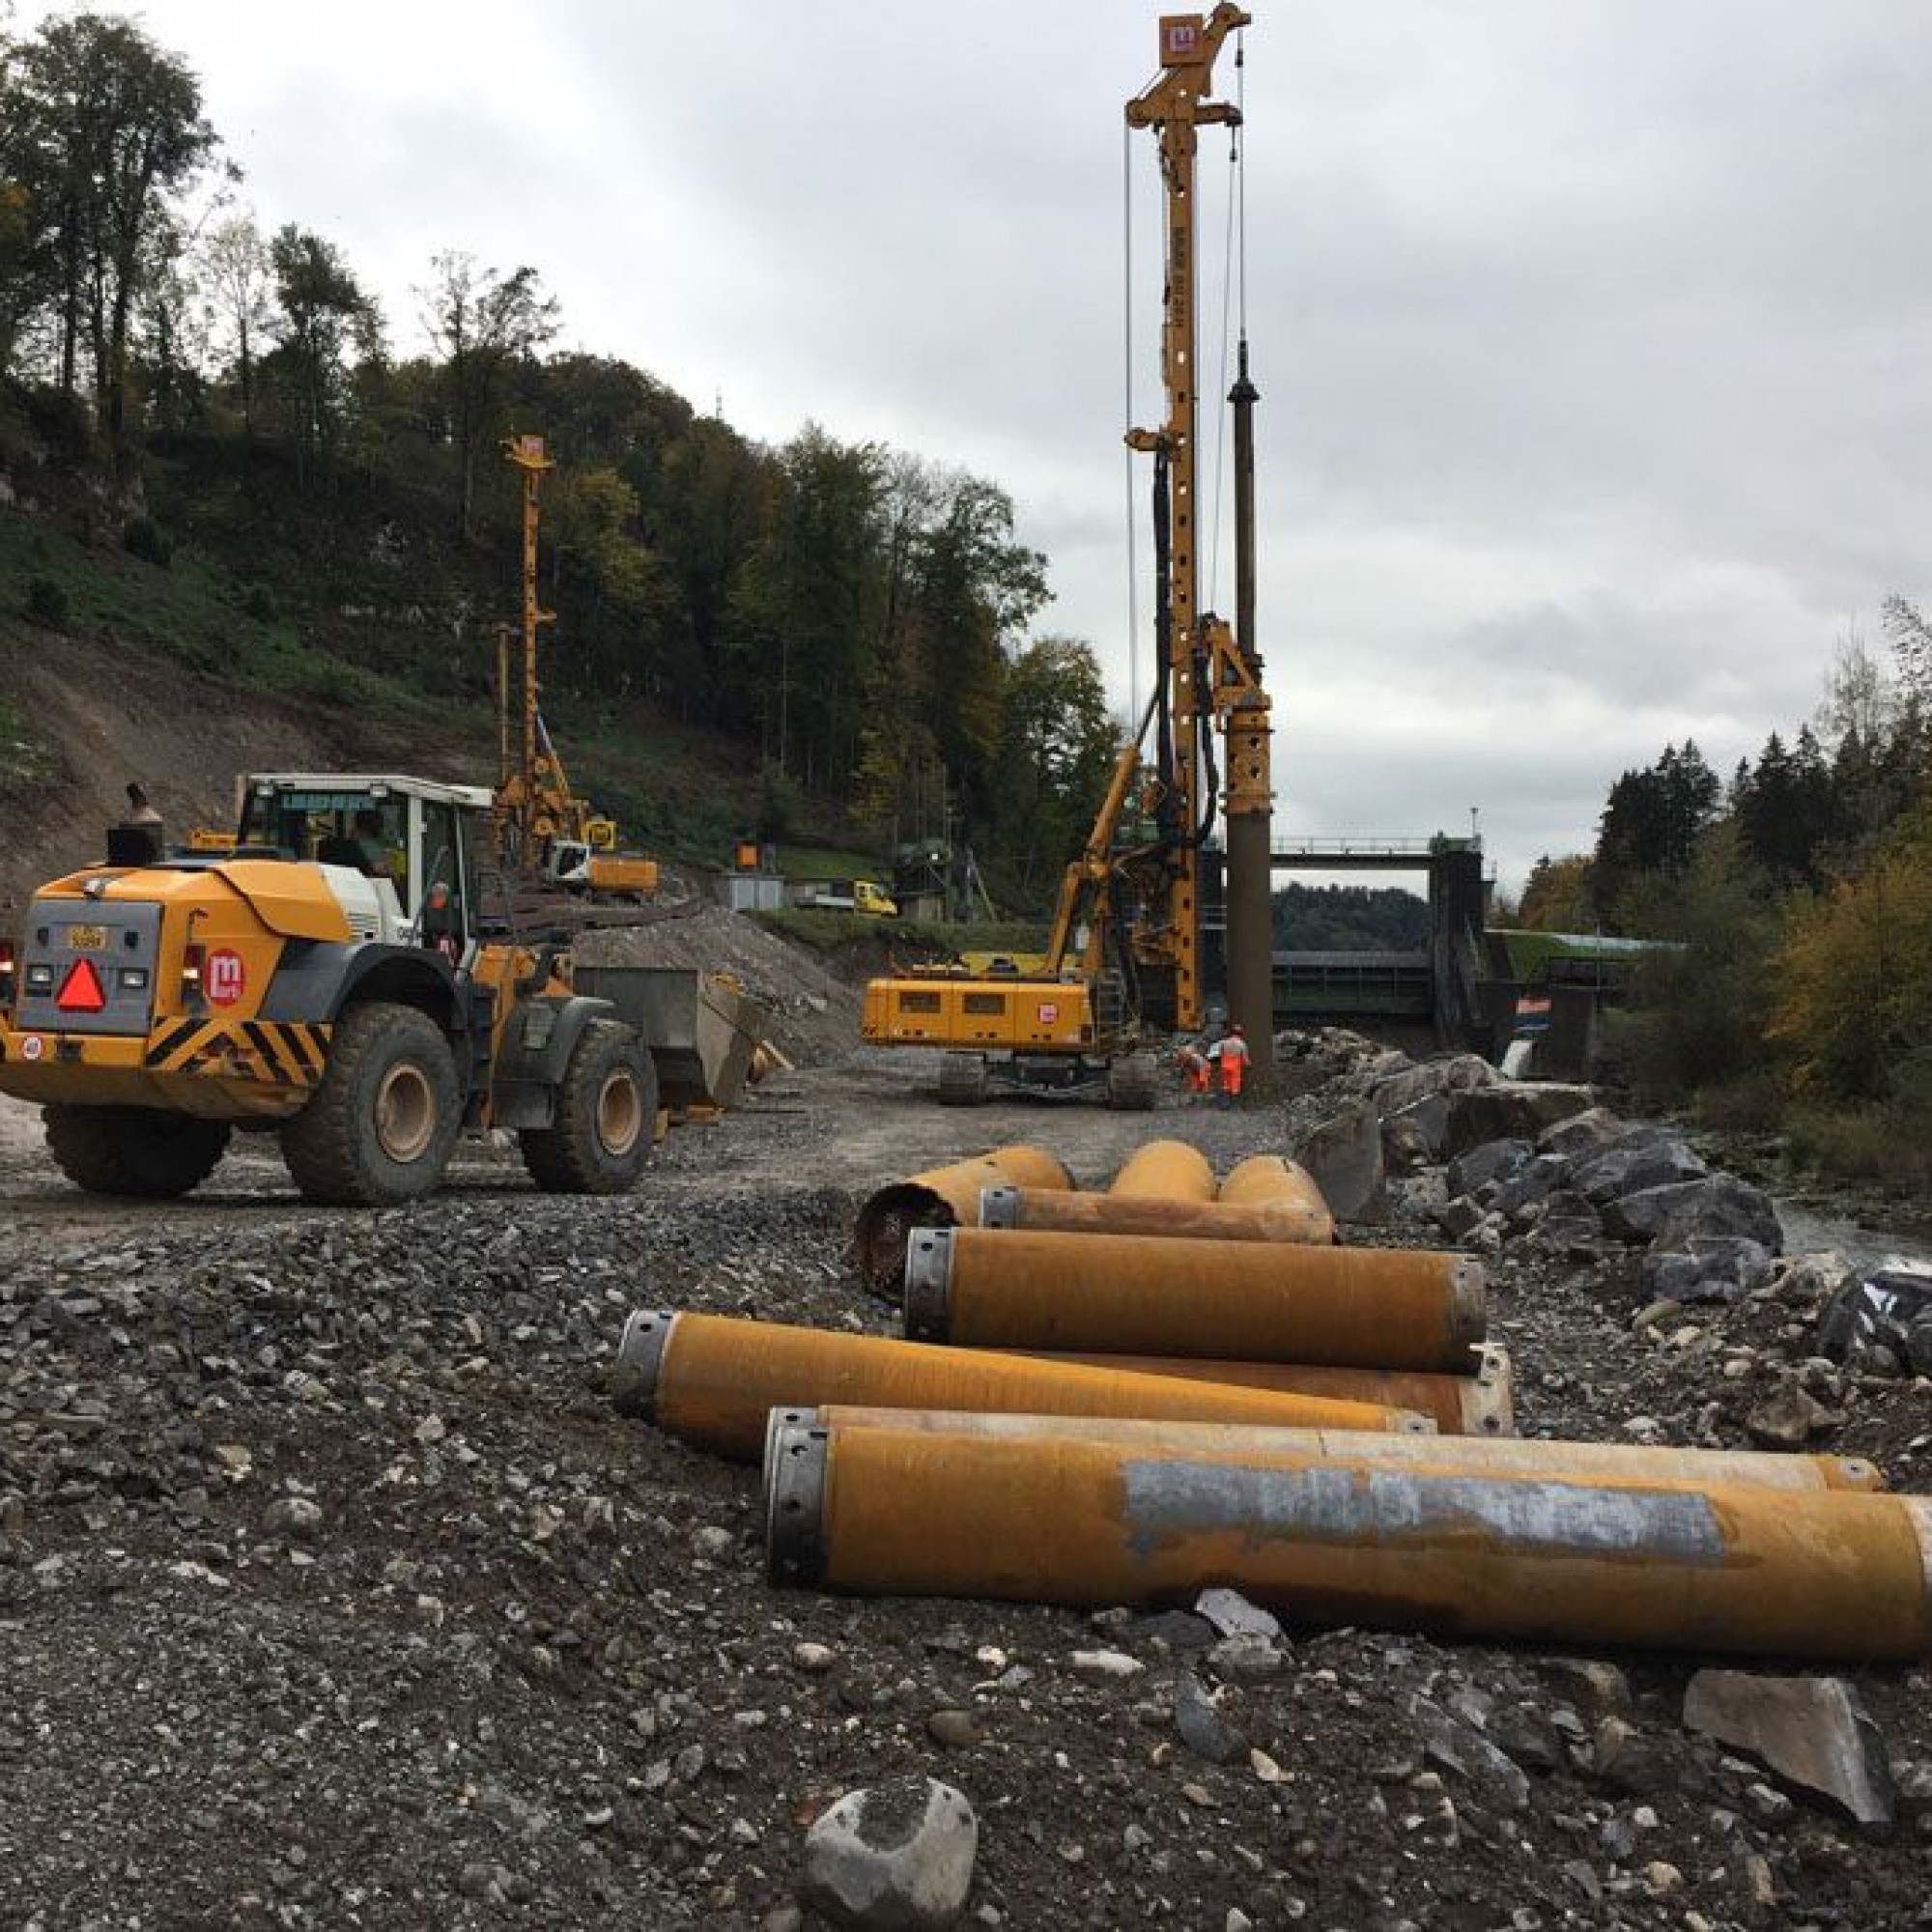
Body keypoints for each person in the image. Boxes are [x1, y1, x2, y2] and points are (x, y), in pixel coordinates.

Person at [1215, 1022, 1250, 1108]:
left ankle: (1224, 1104)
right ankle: (1234, 1104)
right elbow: (1245, 1059)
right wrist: (1249, 1064)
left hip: (1225, 1066)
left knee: (1225, 1085)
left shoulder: (1224, 1043)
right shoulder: (1242, 1044)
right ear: (1241, 1033)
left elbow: (1220, 1054)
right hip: (1235, 1069)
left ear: (1231, 1032)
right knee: (1235, 1086)